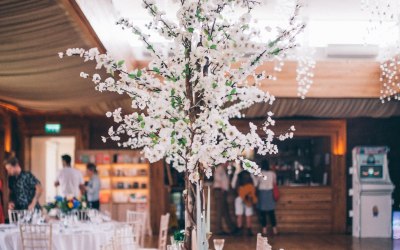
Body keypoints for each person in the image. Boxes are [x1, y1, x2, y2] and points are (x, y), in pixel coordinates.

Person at [232, 166, 257, 236]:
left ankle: (239, 230)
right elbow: (255, 184)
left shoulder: (238, 173)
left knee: (239, 215)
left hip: (239, 196)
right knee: (248, 215)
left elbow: (233, 185)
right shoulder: (250, 173)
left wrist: (236, 172)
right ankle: (249, 230)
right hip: (249, 197)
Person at [255, 159, 278, 236]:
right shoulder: (272, 173)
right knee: (271, 212)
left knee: (263, 213)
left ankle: (264, 230)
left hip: (262, 193)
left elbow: (255, 184)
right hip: (270, 193)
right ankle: (274, 230)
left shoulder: (260, 173)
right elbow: (275, 183)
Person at [213, 162, 237, 235]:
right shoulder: (220, 168)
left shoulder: (223, 169)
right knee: (220, 211)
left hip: (222, 191)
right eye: (227, 162)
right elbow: (217, 177)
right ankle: (218, 229)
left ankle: (231, 228)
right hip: (220, 191)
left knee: (225, 210)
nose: (227, 164)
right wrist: (223, 187)